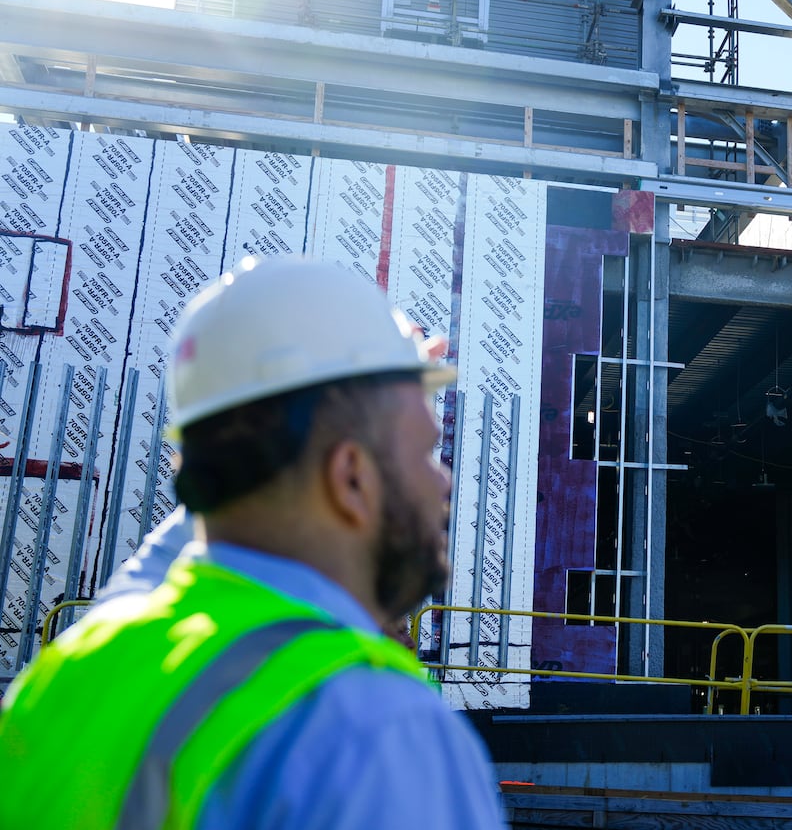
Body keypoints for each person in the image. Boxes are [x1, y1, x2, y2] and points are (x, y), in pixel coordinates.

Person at [0, 256, 506, 829]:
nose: (441, 481)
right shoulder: (373, 729)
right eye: (423, 452)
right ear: (351, 477)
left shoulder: (71, 673)